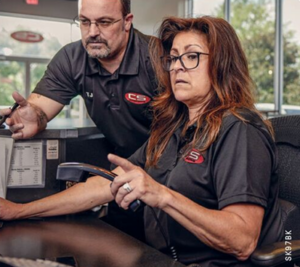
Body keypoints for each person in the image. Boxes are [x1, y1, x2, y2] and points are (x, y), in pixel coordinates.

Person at [0, 15, 283, 266]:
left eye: (192, 56)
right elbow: (105, 185)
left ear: (222, 64)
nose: (177, 67)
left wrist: (162, 196)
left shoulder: (240, 129)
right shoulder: (174, 129)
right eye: (173, 57)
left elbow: (242, 240)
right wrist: (20, 211)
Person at [0, 0, 157, 241]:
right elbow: (39, 108)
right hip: (122, 172)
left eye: (104, 22)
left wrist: (21, 211)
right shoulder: (73, 58)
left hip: (170, 168)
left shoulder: (159, 59)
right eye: (85, 22)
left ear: (127, 22)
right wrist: (34, 116)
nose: (92, 32)